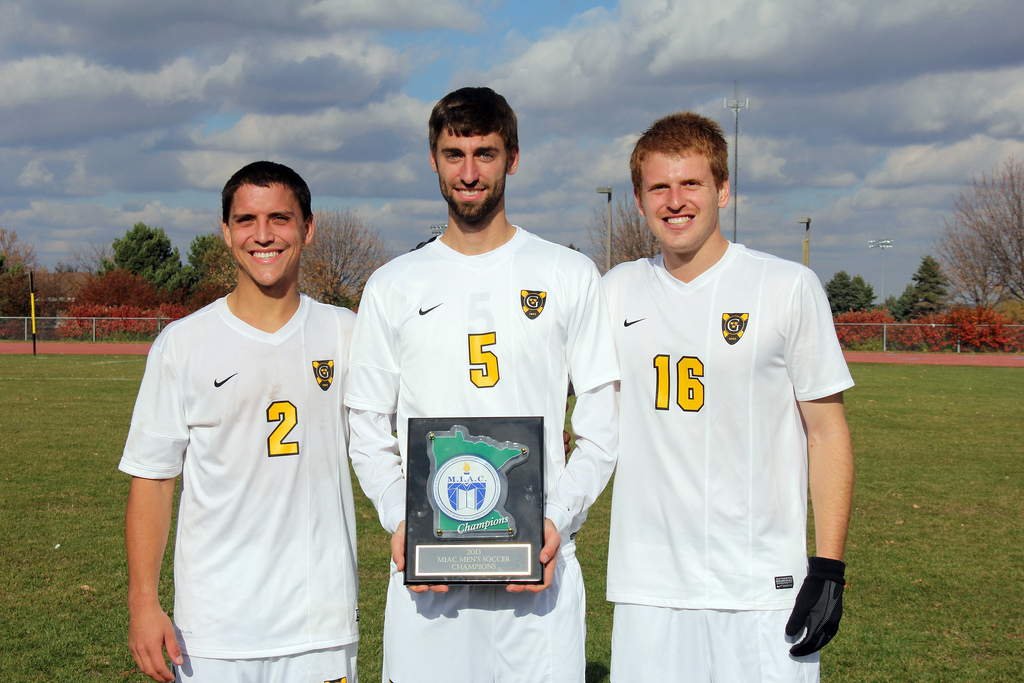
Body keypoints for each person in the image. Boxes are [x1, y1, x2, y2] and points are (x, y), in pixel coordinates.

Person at [344, 86, 619, 682]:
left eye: (485, 154)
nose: (469, 172)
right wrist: (403, 520)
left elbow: (602, 425)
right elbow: (366, 426)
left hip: (537, 565)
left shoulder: (568, 274)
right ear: (435, 161)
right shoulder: (392, 285)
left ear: (512, 158)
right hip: (431, 574)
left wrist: (556, 521)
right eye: (453, 154)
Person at [603, 112, 855, 682]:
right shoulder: (614, 291)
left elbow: (827, 431)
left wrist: (830, 567)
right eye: (658, 187)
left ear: (722, 188)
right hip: (651, 589)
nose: (675, 201)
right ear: (639, 200)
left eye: (690, 183)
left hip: (762, 586)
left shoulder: (786, 286)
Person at [120, 161, 359, 683]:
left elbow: (414, 421)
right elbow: (154, 479)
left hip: (320, 626)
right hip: (213, 632)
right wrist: (143, 601)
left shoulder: (347, 335)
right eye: (246, 220)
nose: (264, 235)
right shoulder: (182, 345)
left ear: (307, 228)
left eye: (280, 218)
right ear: (226, 232)